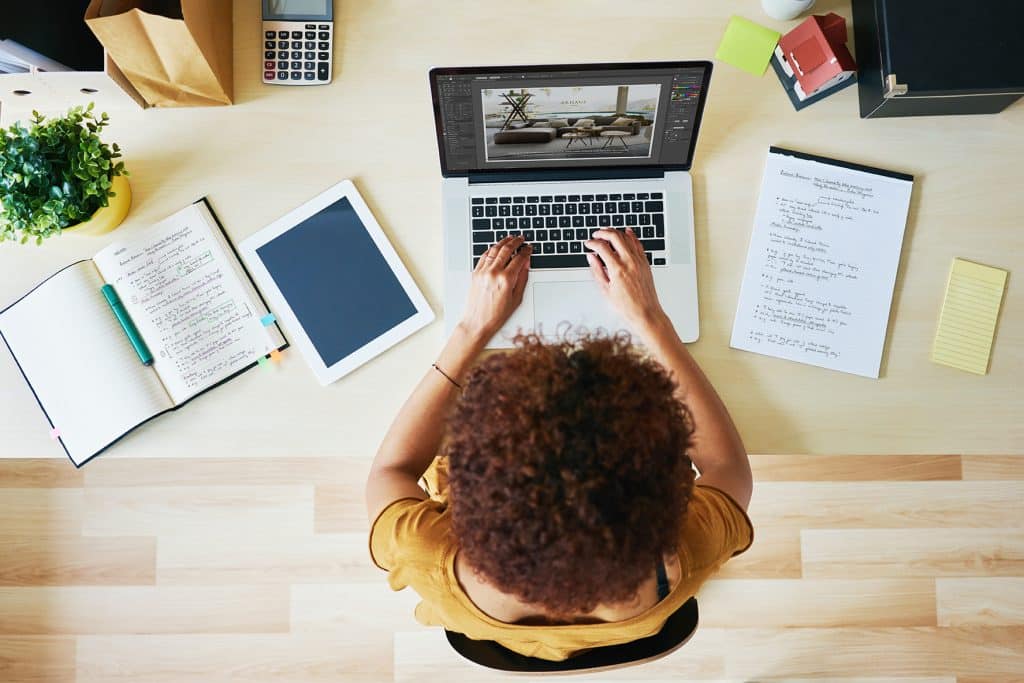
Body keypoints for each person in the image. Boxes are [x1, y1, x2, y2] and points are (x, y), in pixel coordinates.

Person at [365, 230, 753, 661]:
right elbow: (727, 465)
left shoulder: (422, 551)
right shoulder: (683, 556)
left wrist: (473, 328)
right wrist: (650, 318)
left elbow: (392, 470)